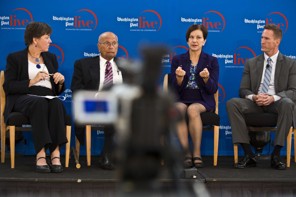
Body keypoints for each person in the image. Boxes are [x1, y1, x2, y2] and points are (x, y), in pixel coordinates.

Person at [226, 24, 296, 170]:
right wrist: (254, 97)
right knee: (232, 103)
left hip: (276, 103)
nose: (262, 41)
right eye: (261, 38)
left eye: (266, 38)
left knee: (288, 103)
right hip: (255, 104)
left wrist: (274, 97)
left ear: (277, 42)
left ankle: (276, 154)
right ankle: (248, 154)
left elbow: (293, 90)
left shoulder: (291, 64)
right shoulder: (251, 63)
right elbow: (243, 90)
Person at [3, 22, 67, 173]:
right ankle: (41, 154)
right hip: (24, 97)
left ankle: (55, 153)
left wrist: (59, 81)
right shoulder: (15, 58)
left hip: (48, 96)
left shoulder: (50, 57)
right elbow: (9, 86)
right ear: (35, 40)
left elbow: (57, 91)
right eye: (47, 37)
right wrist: (32, 81)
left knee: (56, 103)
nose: (50, 41)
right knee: (39, 103)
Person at [71, 31, 123, 170]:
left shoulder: (125, 65)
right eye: (107, 43)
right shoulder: (83, 64)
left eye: (114, 43)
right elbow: (76, 90)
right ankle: (108, 155)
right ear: (99, 46)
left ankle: (110, 154)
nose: (111, 46)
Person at [170, 24, 219, 168]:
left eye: (198, 37)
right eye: (191, 37)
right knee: (178, 109)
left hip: (203, 99)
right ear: (187, 41)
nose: (194, 40)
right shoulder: (178, 60)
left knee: (192, 109)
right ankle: (186, 153)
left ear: (204, 41)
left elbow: (213, 89)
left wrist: (206, 79)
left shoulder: (212, 61)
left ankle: (196, 152)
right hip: (182, 97)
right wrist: (179, 79)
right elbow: (173, 90)